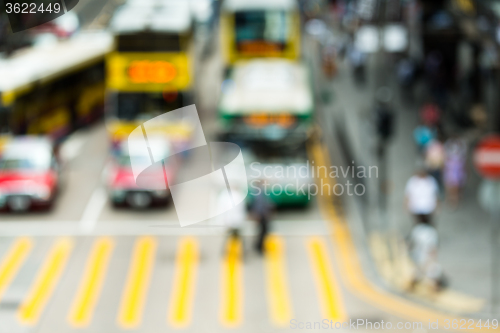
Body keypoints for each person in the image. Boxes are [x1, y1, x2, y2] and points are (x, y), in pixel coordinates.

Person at [407, 218, 445, 292]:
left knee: (418, 274)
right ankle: (434, 290)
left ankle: (411, 288)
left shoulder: (416, 229)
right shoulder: (432, 232)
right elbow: (433, 249)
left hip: (418, 258)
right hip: (427, 259)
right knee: (431, 273)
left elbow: (410, 245)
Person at [217, 188, 246, 255]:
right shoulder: (227, 196)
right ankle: (228, 253)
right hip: (232, 223)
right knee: (230, 238)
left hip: (235, 223)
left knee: (235, 238)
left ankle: (236, 253)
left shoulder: (236, 195)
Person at [250, 180, 274, 255]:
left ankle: (258, 246)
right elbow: (259, 204)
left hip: (262, 214)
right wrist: (258, 214)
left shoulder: (260, 192)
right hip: (262, 215)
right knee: (263, 231)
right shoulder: (259, 192)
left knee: (263, 231)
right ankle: (259, 246)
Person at [443, 136, 467, 207]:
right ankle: (452, 198)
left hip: (457, 169)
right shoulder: (448, 145)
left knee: (456, 185)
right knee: (450, 185)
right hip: (452, 169)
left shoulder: (461, 145)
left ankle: (454, 198)